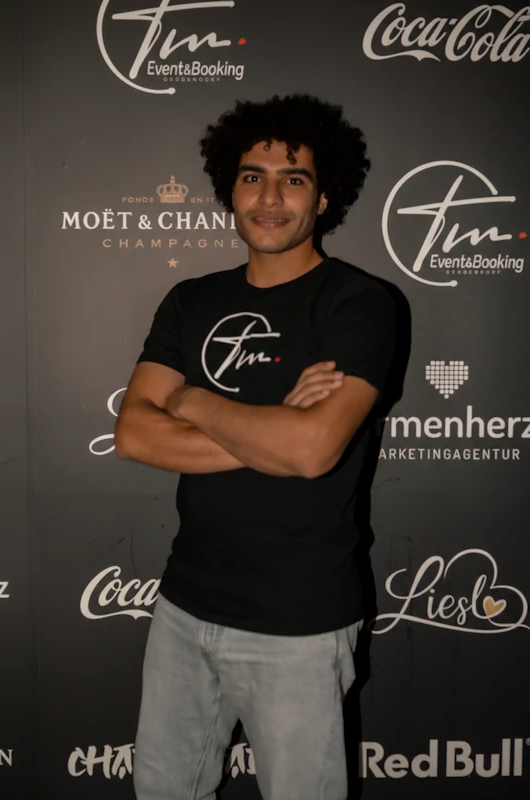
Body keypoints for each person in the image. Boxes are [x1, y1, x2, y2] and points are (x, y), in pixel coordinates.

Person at [115, 94, 396, 800]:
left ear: (323, 198)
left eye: (292, 179)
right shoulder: (190, 300)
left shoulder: (359, 303)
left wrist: (191, 400)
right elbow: (134, 432)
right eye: (252, 177)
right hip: (182, 609)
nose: (269, 198)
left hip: (298, 622)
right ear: (229, 191)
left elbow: (311, 451)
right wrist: (273, 427)